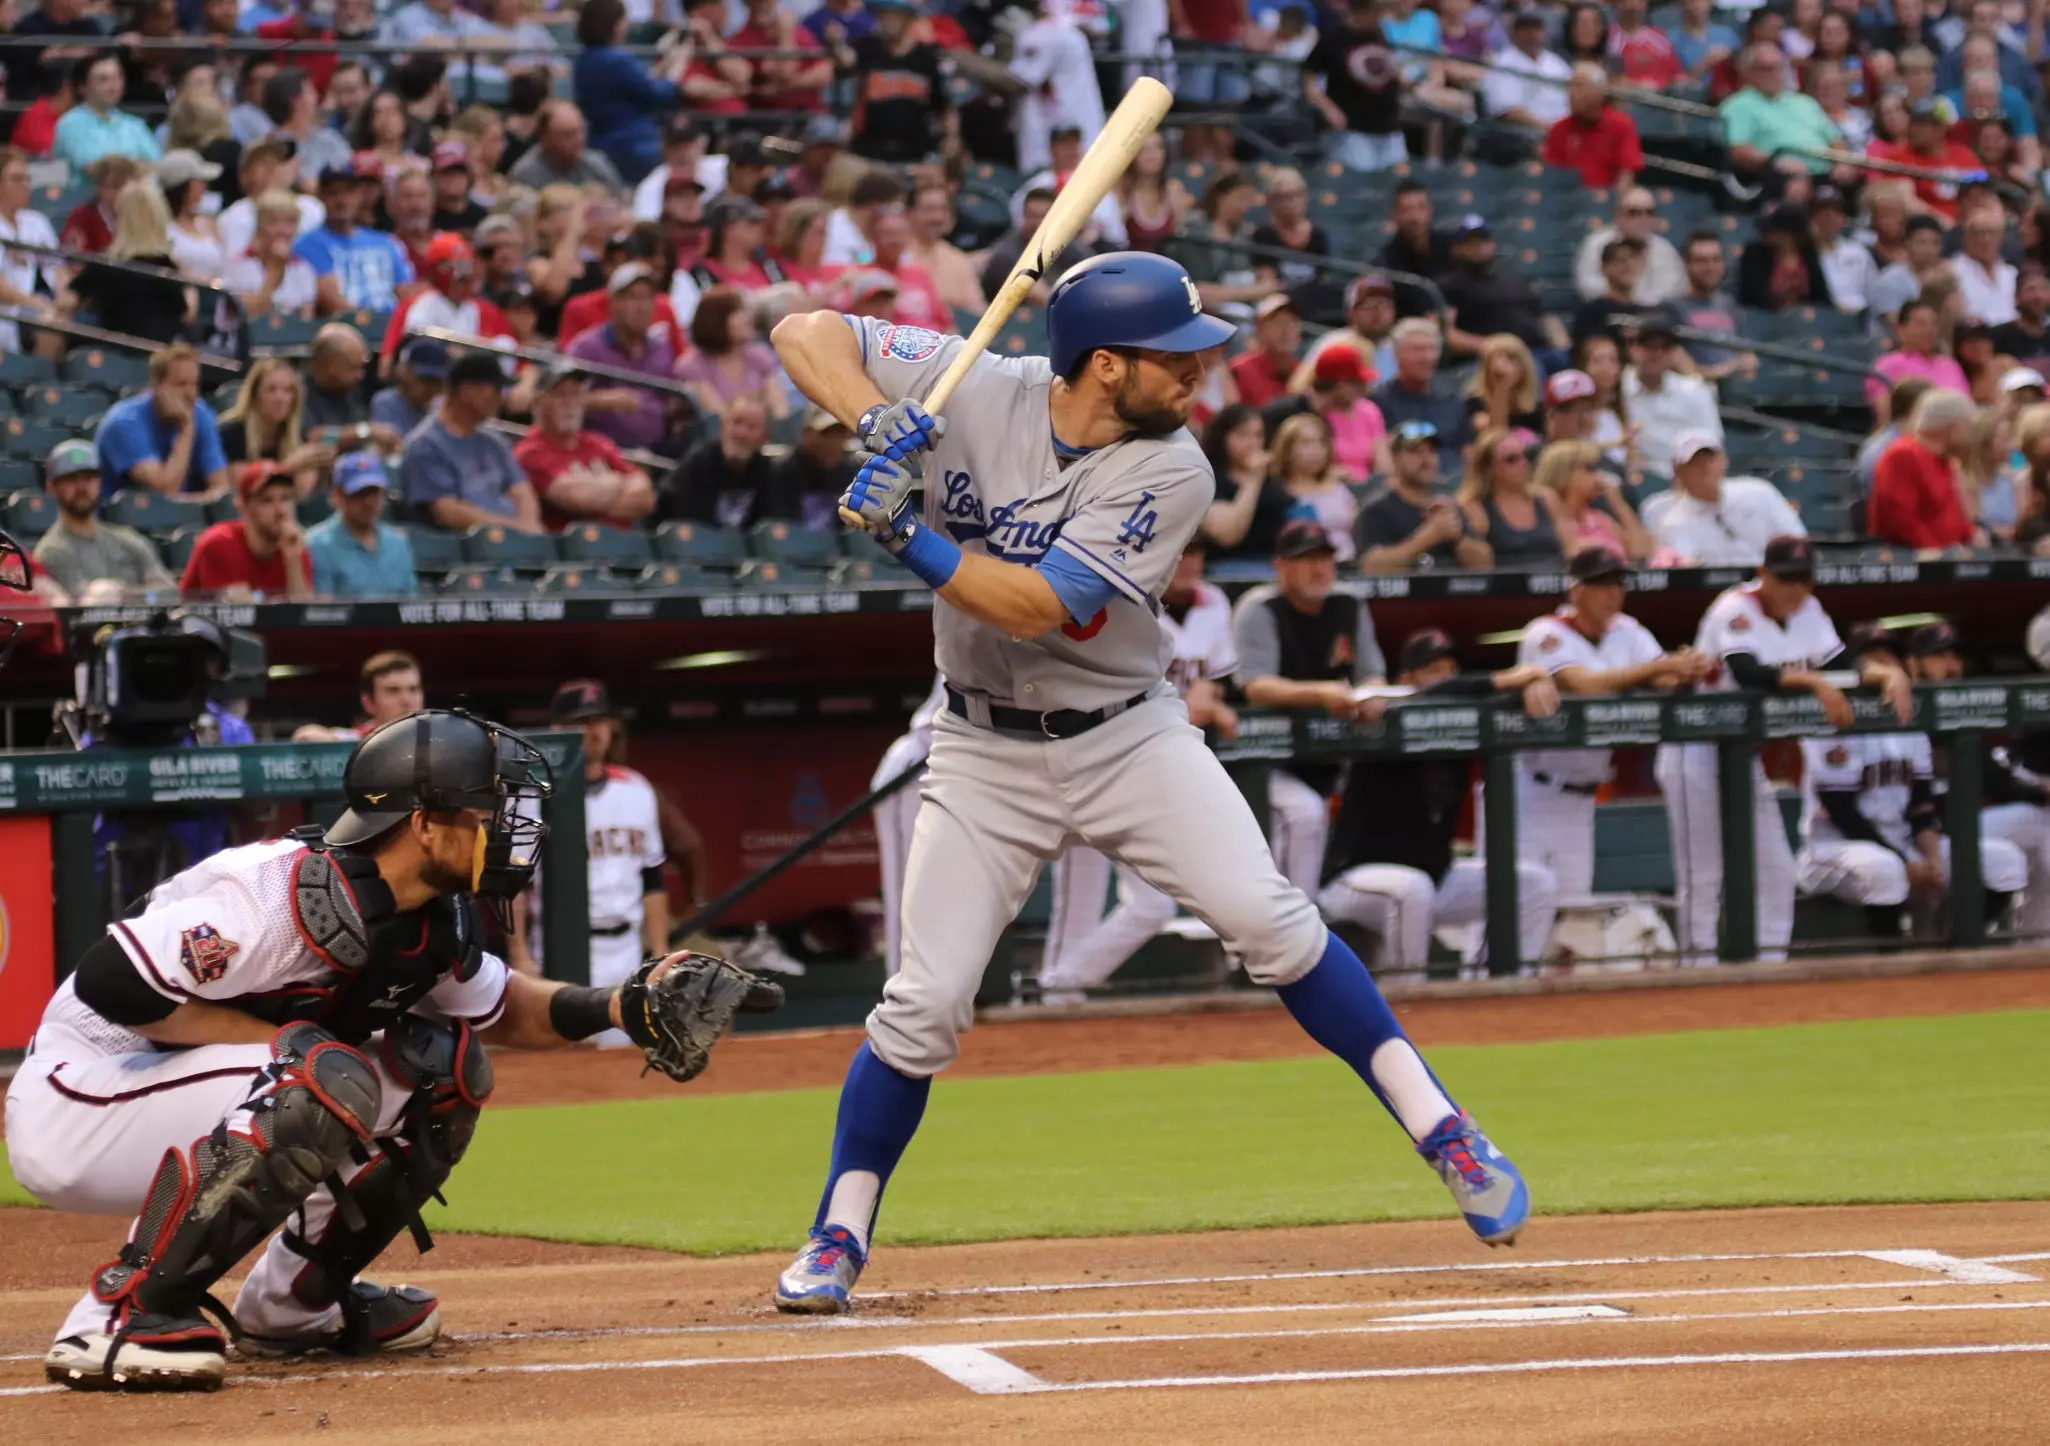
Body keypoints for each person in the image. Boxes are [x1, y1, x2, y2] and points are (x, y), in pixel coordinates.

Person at [768, 256, 1532, 1314]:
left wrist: (907, 529)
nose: (1200, 373)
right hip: (983, 752)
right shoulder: (975, 381)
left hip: (1129, 740)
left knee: (1270, 920)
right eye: (1178, 357)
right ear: (1108, 363)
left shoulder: (1175, 470)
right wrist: (870, 420)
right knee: (924, 1003)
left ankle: (1443, 1129)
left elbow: (1034, 606)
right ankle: (837, 1235)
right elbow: (804, 330)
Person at [8, 709, 775, 1393]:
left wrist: (624, 1006)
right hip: (81, 1096)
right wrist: (285, 1043)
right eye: (485, 811)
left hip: (187, 1094)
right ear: (424, 825)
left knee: (443, 1068)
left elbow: (504, 1005)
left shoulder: (423, 917)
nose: (508, 828)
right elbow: (113, 980)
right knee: (319, 1073)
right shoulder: (273, 892)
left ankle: (290, 1308)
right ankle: (118, 1313)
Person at [1657, 535, 1914, 965]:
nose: (1795, 588)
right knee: (1703, 875)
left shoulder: (1809, 611)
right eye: (1785, 578)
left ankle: (1767, 968)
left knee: (1776, 869)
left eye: (1803, 579)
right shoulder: (1734, 607)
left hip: (1744, 754)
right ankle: (1696, 971)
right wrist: (1814, 682)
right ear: (1763, 575)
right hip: (1695, 748)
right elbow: (1748, 673)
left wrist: (1887, 674)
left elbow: (1841, 663)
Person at [1037, 536, 1242, 1002]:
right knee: (1080, 896)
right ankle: (1052, 995)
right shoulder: (1120, 595)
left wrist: (1212, 697)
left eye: (1197, 552)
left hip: (1145, 768)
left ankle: (1055, 989)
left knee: (1151, 903)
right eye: (1181, 551)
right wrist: (1192, 706)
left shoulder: (1213, 605)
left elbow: (1219, 680)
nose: (1189, 561)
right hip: (1086, 757)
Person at [1316, 628, 1562, 982]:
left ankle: (1499, 992)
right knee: (1411, 890)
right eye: (1433, 669)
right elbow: (1430, 696)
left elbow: (1468, 695)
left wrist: (1534, 682)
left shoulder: (1465, 725)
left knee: (1535, 884)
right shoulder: (1386, 714)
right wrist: (1515, 676)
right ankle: (1409, 1002)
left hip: (1435, 878)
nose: (1445, 677)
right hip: (1354, 879)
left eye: (1451, 668)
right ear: (1405, 679)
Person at [1796, 624, 2027, 938]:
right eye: (1872, 656)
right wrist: (1905, 859)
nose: (1885, 662)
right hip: (1835, 848)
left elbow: (1921, 802)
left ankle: (1955, 950)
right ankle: (1891, 964)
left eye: (1890, 654)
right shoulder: (1829, 720)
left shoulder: (1907, 718)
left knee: (2004, 861)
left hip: (1902, 843)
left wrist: (1930, 856)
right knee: (1885, 870)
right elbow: (1844, 815)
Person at [1512, 550, 1706, 904]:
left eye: (1618, 583)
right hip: (1530, 794)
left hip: (1582, 800)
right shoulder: (1546, 632)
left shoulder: (1627, 630)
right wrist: (1653, 670)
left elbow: (1663, 677)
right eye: (1601, 584)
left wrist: (1686, 668)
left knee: (1572, 914)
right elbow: (1582, 684)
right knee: (1512, 914)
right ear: (1576, 590)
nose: (1613, 593)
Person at [1233, 518, 1388, 892]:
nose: (1319, 569)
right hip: (1262, 757)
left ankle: (1305, 928)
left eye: (1325, 558)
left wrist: (1374, 696)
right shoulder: (1260, 607)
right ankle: (1293, 931)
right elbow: (1256, 686)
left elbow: (1374, 674)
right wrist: (1321, 694)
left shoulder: (1348, 603)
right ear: (1281, 566)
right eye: (1306, 559)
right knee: (1303, 814)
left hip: (1325, 757)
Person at [511, 682, 670, 1043]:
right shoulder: (530, 797)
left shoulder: (636, 788)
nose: (593, 731)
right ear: (557, 730)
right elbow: (513, 885)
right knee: (565, 1065)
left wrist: (659, 950)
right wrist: (519, 954)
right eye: (581, 721)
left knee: (628, 1061)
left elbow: (652, 877)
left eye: (600, 720)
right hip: (560, 952)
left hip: (627, 951)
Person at [398, 351, 542, 533]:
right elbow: (448, 513)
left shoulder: (493, 441)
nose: (500, 398)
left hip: (510, 545)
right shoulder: (425, 445)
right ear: (467, 391)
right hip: (462, 551)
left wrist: (529, 528)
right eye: (496, 390)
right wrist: (514, 530)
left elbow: (522, 492)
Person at [563, 263, 691, 457]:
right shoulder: (588, 347)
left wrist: (683, 398)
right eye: (634, 297)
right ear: (614, 302)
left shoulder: (660, 347)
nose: (643, 307)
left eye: (649, 298)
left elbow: (670, 397)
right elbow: (559, 399)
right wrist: (602, 400)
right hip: (604, 451)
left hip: (659, 448)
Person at [513, 365, 657, 531]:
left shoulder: (598, 443)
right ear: (538, 402)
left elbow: (646, 498)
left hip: (624, 547)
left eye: (576, 394)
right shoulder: (530, 452)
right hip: (575, 550)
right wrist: (620, 480)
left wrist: (594, 500)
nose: (570, 403)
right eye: (560, 395)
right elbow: (577, 498)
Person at [31, 439, 177, 600]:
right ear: (51, 487)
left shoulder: (128, 538)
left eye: (89, 478)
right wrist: (143, 595)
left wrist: (126, 595)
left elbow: (168, 593)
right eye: (71, 479)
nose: (81, 487)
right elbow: (81, 607)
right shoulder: (52, 550)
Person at [95, 345, 231, 499]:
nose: (190, 394)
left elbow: (221, 487)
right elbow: (164, 494)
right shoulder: (123, 423)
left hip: (180, 517)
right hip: (121, 519)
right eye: (181, 384)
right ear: (157, 385)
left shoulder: (200, 413)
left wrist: (190, 503)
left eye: (194, 384)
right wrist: (185, 430)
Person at [1650, 430, 1807, 564]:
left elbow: (1797, 540)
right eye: (1696, 462)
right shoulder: (1673, 524)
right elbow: (1689, 573)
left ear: (1724, 461)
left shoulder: (1759, 491)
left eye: (1711, 459)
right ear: (1679, 472)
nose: (1705, 467)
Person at [573, 0, 684, 188]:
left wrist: (665, 64)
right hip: (634, 147)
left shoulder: (584, 60)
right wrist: (678, 67)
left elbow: (639, 83)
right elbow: (656, 94)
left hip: (601, 145)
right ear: (615, 25)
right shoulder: (618, 60)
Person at [1356, 420, 1493, 571]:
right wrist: (1427, 538)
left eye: (1431, 451)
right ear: (1395, 457)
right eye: (1415, 451)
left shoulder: (1447, 506)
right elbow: (1369, 566)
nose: (1426, 458)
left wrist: (1458, 537)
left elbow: (1485, 561)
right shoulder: (1377, 509)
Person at [68, 178, 190, 346]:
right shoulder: (165, 267)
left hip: (112, 356)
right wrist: (190, 285)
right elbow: (186, 313)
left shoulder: (106, 264)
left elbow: (67, 300)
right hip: (156, 358)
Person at [1719, 42, 1842, 195]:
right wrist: (1774, 162)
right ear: (1747, 72)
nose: (1773, 73)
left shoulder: (1805, 102)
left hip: (1828, 174)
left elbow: (1837, 142)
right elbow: (1738, 150)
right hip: (1778, 176)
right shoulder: (1738, 106)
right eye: (1765, 69)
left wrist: (1844, 164)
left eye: (1778, 67)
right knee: (1797, 186)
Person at [296, 158, 413, 315]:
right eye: (333, 193)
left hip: (393, 328)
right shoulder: (307, 245)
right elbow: (332, 301)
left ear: (358, 196)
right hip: (343, 329)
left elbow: (405, 293)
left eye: (348, 191)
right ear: (321, 197)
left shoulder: (387, 243)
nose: (341, 200)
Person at [180, 462, 314, 598]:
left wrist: (293, 563)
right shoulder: (218, 544)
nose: (280, 510)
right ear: (243, 506)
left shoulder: (295, 545)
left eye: (286, 498)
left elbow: (304, 614)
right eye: (267, 500)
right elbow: (221, 615)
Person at [1303, 0, 1406, 172]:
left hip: (1388, 126)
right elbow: (1309, 80)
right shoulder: (1334, 39)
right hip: (1352, 128)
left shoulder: (1380, 34)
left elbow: (1387, 70)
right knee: (1360, 181)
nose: (1380, 18)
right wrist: (1327, 108)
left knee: (1396, 182)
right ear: (1361, 11)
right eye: (1376, 12)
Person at [1441, 218, 1562, 362]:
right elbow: (1447, 333)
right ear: (1457, 248)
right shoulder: (1450, 285)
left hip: (1537, 350)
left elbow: (1544, 318)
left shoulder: (1515, 280)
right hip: (1490, 357)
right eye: (1470, 243)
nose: (1478, 247)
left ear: (1493, 245)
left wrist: (1564, 347)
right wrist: (1491, 346)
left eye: (1483, 241)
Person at [1869, 387, 1979, 547]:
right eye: (1968, 427)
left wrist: (1970, 534)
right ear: (1952, 427)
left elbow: (1952, 515)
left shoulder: (1944, 461)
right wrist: (1938, 555)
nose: (1972, 435)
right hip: (1916, 560)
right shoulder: (1902, 455)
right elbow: (1900, 522)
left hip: (1950, 557)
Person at [303, 450, 417, 598]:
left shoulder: (398, 543)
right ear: (338, 495)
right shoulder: (316, 544)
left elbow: (412, 604)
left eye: (374, 493)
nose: (369, 502)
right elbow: (323, 612)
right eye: (359, 493)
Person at [1370, 319, 1471, 476]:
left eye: (1433, 349)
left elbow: (1466, 449)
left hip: (1456, 482)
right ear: (1396, 354)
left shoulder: (1451, 398)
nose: (1427, 357)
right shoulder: (1378, 402)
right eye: (1418, 350)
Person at [1622, 319, 1721, 478]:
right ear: (1633, 349)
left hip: (1686, 479)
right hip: (1635, 476)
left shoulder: (1694, 391)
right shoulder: (1617, 388)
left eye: (1665, 347)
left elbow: (1713, 445)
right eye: (1649, 346)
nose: (1657, 353)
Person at [657, 393, 774, 527]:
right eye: (736, 422)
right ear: (722, 425)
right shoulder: (697, 465)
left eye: (751, 427)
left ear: (765, 438)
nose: (741, 433)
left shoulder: (768, 473)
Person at [219, 356, 333, 490]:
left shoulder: (297, 436)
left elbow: (301, 493)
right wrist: (288, 467)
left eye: (287, 390)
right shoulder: (231, 432)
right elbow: (242, 482)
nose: (280, 399)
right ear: (254, 396)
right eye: (271, 390)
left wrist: (318, 464)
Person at [674, 285, 787, 420]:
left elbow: (781, 412)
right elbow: (719, 417)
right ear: (715, 320)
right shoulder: (692, 365)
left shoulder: (760, 357)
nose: (748, 318)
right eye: (738, 312)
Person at [1459, 426, 1564, 565]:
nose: (1523, 463)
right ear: (1488, 468)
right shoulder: (1475, 507)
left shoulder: (1546, 498)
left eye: (1524, 455)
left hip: (1554, 582)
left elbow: (1569, 547)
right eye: (1511, 459)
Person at [1534, 439, 1654, 559]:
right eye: (1589, 469)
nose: (1598, 477)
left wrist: (1618, 503)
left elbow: (1642, 551)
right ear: (1563, 473)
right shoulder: (1544, 521)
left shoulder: (1600, 520)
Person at [1198, 404, 1291, 558]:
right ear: (1222, 437)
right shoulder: (1208, 479)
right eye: (1242, 435)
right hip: (1224, 569)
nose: (1252, 443)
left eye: (1258, 435)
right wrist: (1253, 479)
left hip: (1272, 565)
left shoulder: (1273, 479)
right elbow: (1228, 535)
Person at [0, 145, 65, 359]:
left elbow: (58, 267)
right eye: (17, 178)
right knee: (49, 326)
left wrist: (64, 296)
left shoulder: (36, 221)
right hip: (9, 312)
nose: (26, 184)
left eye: (27, 178)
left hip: (44, 304)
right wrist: (35, 304)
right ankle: (42, 383)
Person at [1574, 188, 1686, 306]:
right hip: (1608, 312)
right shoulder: (1596, 243)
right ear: (1618, 216)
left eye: (1649, 212)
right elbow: (1587, 285)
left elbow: (1674, 288)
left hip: (1653, 315)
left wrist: (1640, 303)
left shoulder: (1664, 248)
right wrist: (1625, 300)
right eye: (1634, 212)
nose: (1643, 218)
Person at [52, 53, 162, 173]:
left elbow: (157, 165)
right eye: (103, 79)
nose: (113, 85)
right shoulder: (70, 123)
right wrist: (137, 165)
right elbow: (94, 169)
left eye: (118, 77)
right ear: (82, 87)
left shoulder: (134, 124)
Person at [1543, 63, 1645, 188]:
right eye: (1570, 86)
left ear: (1599, 91)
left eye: (1579, 86)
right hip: (1567, 202)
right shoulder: (1558, 129)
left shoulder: (1622, 125)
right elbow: (1550, 176)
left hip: (1608, 200)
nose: (1571, 93)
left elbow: (1627, 175)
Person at [1270, 410, 1363, 547]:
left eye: (1322, 443)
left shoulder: (1340, 488)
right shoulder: (1276, 493)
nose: (1316, 450)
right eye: (1306, 443)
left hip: (1347, 563)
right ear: (1287, 450)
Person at [222, 187, 321, 314]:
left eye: (289, 222)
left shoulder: (303, 270)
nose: (282, 231)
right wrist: (275, 270)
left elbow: (305, 323)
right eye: (273, 222)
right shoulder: (239, 264)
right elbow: (248, 316)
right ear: (259, 227)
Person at [292, 649, 424, 742]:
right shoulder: (359, 740)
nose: (407, 700)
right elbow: (304, 736)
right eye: (393, 691)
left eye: (413, 689)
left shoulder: (441, 736)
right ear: (369, 703)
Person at [764, 406, 858, 530]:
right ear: (806, 434)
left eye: (840, 433)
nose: (833, 442)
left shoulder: (849, 474)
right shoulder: (782, 473)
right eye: (826, 433)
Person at [1297, 274, 1399, 387]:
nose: (1378, 313)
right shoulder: (1334, 343)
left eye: (1385, 305)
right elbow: (1300, 389)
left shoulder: (1400, 348)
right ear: (1351, 312)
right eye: (1368, 305)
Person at [1481, 10, 1572, 132]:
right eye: (1525, 30)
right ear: (1514, 33)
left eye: (1536, 29)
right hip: (1522, 134)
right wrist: (1548, 128)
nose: (1532, 35)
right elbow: (1510, 112)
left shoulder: (1556, 62)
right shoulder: (1503, 62)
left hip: (1563, 130)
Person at [507, 102, 626, 196]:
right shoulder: (524, 175)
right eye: (567, 135)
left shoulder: (597, 164)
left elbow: (620, 201)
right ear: (545, 138)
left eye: (579, 132)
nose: (577, 140)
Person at [1736, 203, 1835, 312]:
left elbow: (1822, 296)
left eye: (1774, 230)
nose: (1767, 234)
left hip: (1803, 321)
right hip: (1766, 318)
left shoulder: (1808, 255)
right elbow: (1750, 296)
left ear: (1791, 235)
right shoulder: (1754, 254)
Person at [1229, 295, 1305, 410]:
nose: (1285, 330)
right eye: (1277, 322)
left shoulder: (1304, 372)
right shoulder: (1240, 369)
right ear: (1260, 329)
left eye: (1292, 322)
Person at [1461, 333, 1545, 435]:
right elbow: (1495, 435)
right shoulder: (1475, 402)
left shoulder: (1536, 406)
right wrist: (1502, 388)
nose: (1505, 368)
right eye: (1497, 360)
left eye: (1512, 358)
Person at [371, 336, 448, 438]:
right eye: (425, 380)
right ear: (407, 373)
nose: (430, 388)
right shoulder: (387, 402)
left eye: (435, 382)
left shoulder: (441, 407)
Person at [1955, 207, 2020, 326]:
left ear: (2001, 238)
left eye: (1991, 233)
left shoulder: (2012, 274)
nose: (1985, 239)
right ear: (1966, 237)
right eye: (1977, 233)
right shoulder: (1952, 272)